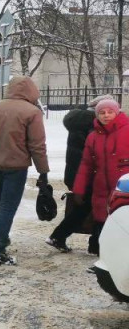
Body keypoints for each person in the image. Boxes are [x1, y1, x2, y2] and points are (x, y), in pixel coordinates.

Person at [0, 75, 49, 265]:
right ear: (31, 90)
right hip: (16, 166)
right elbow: (37, 145)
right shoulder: (31, 112)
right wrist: (43, 171)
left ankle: (1, 239)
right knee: (8, 206)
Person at [46, 94, 113, 253]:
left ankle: (61, 237)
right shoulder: (93, 124)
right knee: (98, 207)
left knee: (86, 207)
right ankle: (94, 245)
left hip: (76, 173)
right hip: (90, 174)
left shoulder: (79, 121)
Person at [71, 97, 129, 253]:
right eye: (102, 112)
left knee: (122, 221)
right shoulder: (93, 137)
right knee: (101, 220)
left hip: (123, 189)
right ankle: (101, 252)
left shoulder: (127, 131)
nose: (106, 115)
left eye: (110, 112)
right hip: (101, 188)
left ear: (117, 113)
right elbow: (86, 165)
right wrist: (79, 189)